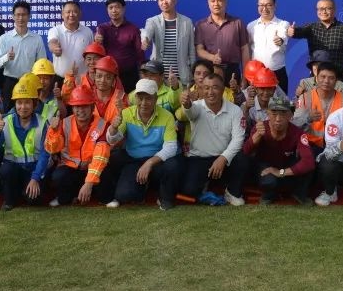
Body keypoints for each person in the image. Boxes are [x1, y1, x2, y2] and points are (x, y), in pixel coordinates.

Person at [105, 78, 180, 209]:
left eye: (148, 98)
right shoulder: (126, 113)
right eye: (140, 98)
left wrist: (149, 163)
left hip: (157, 161)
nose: (144, 103)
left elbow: (171, 147)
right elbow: (112, 140)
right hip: (133, 160)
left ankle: (165, 197)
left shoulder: (167, 116)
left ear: (156, 99)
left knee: (173, 164)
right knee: (124, 194)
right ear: (135, 98)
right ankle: (136, 191)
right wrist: (113, 129)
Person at [178, 72, 249, 206]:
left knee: (242, 159)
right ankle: (205, 185)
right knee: (189, 190)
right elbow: (190, 112)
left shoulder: (235, 110)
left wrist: (223, 158)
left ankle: (232, 192)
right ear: (201, 90)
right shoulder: (197, 106)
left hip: (225, 159)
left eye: (215, 87)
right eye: (206, 88)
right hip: (199, 158)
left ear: (223, 90)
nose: (210, 92)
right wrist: (187, 104)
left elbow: (238, 139)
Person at [242, 91, 315, 205]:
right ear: (268, 113)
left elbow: (309, 161)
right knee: (269, 181)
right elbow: (245, 152)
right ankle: (268, 195)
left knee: (309, 167)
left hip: (285, 169)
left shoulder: (297, 132)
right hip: (265, 168)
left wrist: (280, 172)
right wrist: (257, 136)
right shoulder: (260, 128)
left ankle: (299, 193)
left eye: (283, 114)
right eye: (274, 113)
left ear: (290, 116)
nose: (278, 119)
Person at [0, 73, 50, 210]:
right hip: (12, 169)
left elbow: (45, 154)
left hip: (33, 169)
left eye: (27, 102)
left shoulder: (43, 123)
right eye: (19, 102)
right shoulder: (5, 122)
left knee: (34, 201)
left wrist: (35, 178)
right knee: (5, 171)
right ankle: (10, 198)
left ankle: (25, 191)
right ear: (15, 104)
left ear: (34, 104)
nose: (23, 107)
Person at [44, 85, 111, 206]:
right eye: (77, 106)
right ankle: (67, 197)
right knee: (58, 176)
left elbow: (100, 157)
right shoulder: (64, 123)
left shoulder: (102, 125)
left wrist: (89, 183)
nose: (80, 110)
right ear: (72, 108)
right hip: (71, 168)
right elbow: (52, 149)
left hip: (92, 168)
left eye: (85, 106)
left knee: (105, 173)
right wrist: (53, 131)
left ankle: (103, 198)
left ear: (92, 107)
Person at [288, 0, 343, 84]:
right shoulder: (311, 27)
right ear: (317, 11)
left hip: (338, 78)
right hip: (316, 78)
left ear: (334, 10)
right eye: (321, 9)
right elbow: (300, 31)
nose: (324, 12)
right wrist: (293, 31)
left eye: (328, 8)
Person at [141, 0, 196, 87]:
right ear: (158, 3)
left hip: (182, 77)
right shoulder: (152, 21)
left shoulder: (187, 22)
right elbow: (147, 33)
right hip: (159, 78)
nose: (164, 2)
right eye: (161, 0)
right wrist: (145, 40)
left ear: (175, 0)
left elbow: (191, 50)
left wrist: (193, 74)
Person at [0, 0, 47, 100]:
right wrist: (6, 57)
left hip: (30, 82)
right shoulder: (4, 38)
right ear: (13, 16)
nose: (21, 18)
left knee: (30, 109)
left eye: (24, 15)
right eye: (18, 15)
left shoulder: (37, 38)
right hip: (10, 82)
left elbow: (41, 62)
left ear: (29, 16)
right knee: (8, 110)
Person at [194, 0, 250, 84]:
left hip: (232, 71)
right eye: (213, 1)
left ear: (225, 2)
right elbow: (199, 50)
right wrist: (213, 57)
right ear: (208, 3)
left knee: (234, 94)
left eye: (219, 0)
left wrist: (245, 78)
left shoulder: (237, 23)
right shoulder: (201, 25)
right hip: (210, 71)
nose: (216, 4)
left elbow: (245, 50)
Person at [95, 0, 144, 93]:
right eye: (110, 8)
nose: (114, 10)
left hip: (129, 75)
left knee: (128, 99)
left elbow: (139, 53)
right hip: (108, 74)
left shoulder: (133, 29)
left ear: (123, 8)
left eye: (117, 7)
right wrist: (96, 41)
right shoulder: (102, 28)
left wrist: (143, 73)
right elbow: (98, 48)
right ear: (107, 10)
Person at [293, 61, 343, 153]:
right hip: (310, 144)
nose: (326, 81)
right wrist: (308, 117)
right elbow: (294, 124)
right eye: (323, 77)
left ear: (336, 81)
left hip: (335, 145)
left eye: (331, 78)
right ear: (316, 77)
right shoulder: (305, 98)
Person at [247, 0, 290, 93]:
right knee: (255, 103)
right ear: (257, 6)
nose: (264, 8)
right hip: (256, 75)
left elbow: (283, 39)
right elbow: (248, 50)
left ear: (275, 6)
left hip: (277, 73)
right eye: (261, 5)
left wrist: (280, 41)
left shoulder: (283, 24)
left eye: (268, 5)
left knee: (280, 103)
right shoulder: (251, 26)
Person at [47, 0, 94, 82]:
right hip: (60, 79)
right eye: (68, 12)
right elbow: (52, 42)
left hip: (82, 80)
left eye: (74, 12)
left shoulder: (87, 31)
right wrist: (55, 49)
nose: (71, 15)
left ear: (80, 14)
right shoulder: (55, 30)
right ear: (62, 14)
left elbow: (92, 53)